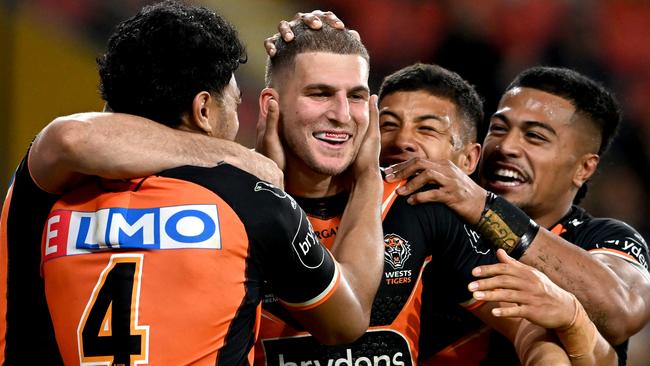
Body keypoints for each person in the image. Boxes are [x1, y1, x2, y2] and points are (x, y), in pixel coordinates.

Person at [0, 2, 386, 364]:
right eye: (234, 103)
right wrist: (368, 177)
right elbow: (346, 322)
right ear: (203, 109)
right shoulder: (251, 200)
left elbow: (70, 138)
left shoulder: (46, 192)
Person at [253, 23, 610, 366]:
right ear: (271, 104)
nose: (342, 115)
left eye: (357, 96)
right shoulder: (234, 205)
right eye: (320, 94)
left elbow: (528, 330)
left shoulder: (420, 202)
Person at [384, 66, 650, 364]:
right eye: (498, 129)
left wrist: (487, 209)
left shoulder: (603, 238)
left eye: (535, 136)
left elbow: (622, 312)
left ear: (584, 168)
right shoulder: (431, 220)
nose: (506, 146)